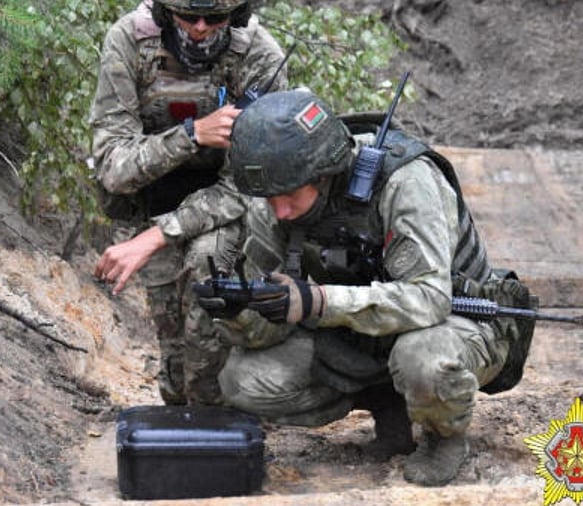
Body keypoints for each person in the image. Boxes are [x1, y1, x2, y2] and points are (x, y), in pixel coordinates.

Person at [198, 89, 532, 486]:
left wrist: (317, 301)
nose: (279, 211)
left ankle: (444, 437)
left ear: (323, 174)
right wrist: (240, 310)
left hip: (459, 319)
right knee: (243, 380)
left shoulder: (406, 180)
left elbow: (430, 298)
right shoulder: (274, 192)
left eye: (288, 198)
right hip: (362, 331)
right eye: (269, 200)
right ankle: (386, 400)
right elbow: (267, 328)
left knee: (424, 362)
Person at [90, 0, 287, 405]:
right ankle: (183, 418)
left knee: (207, 275)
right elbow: (113, 166)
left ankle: (216, 420)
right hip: (152, 199)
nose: (200, 28)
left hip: (226, 206)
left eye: (215, 19)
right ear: (165, 12)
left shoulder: (260, 56)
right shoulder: (129, 42)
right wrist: (192, 134)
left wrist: (157, 237)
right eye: (188, 17)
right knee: (176, 360)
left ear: (238, 15)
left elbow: (248, 185)